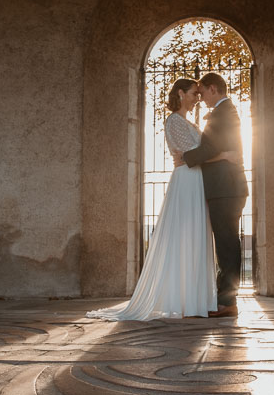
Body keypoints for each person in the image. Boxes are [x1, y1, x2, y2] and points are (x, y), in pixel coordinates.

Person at [87, 78, 230, 321]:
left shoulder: (190, 123)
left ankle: (196, 298)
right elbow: (190, 154)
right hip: (186, 181)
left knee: (197, 235)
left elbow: (196, 153)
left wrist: (202, 154)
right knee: (185, 235)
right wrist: (219, 155)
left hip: (197, 180)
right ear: (181, 94)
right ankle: (183, 299)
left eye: (199, 93)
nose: (197, 97)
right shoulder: (174, 121)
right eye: (194, 93)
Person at [172, 72, 248, 318]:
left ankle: (227, 302)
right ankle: (225, 298)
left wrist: (184, 158)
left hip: (225, 188)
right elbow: (217, 149)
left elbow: (209, 148)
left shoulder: (223, 112)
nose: (201, 98)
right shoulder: (225, 111)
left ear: (213, 88)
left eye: (202, 92)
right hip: (225, 188)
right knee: (226, 244)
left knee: (226, 245)